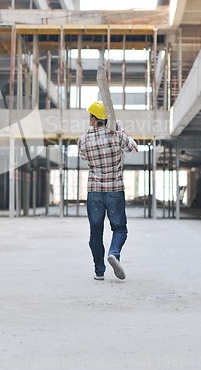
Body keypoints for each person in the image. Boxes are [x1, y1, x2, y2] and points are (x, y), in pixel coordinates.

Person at [78, 100, 138, 281]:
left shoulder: (84, 140)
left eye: (90, 116)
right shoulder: (117, 135)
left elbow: (83, 157)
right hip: (115, 190)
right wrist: (120, 130)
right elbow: (133, 147)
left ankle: (99, 271)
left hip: (94, 192)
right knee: (120, 229)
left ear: (94, 118)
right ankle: (114, 253)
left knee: (95, 232)